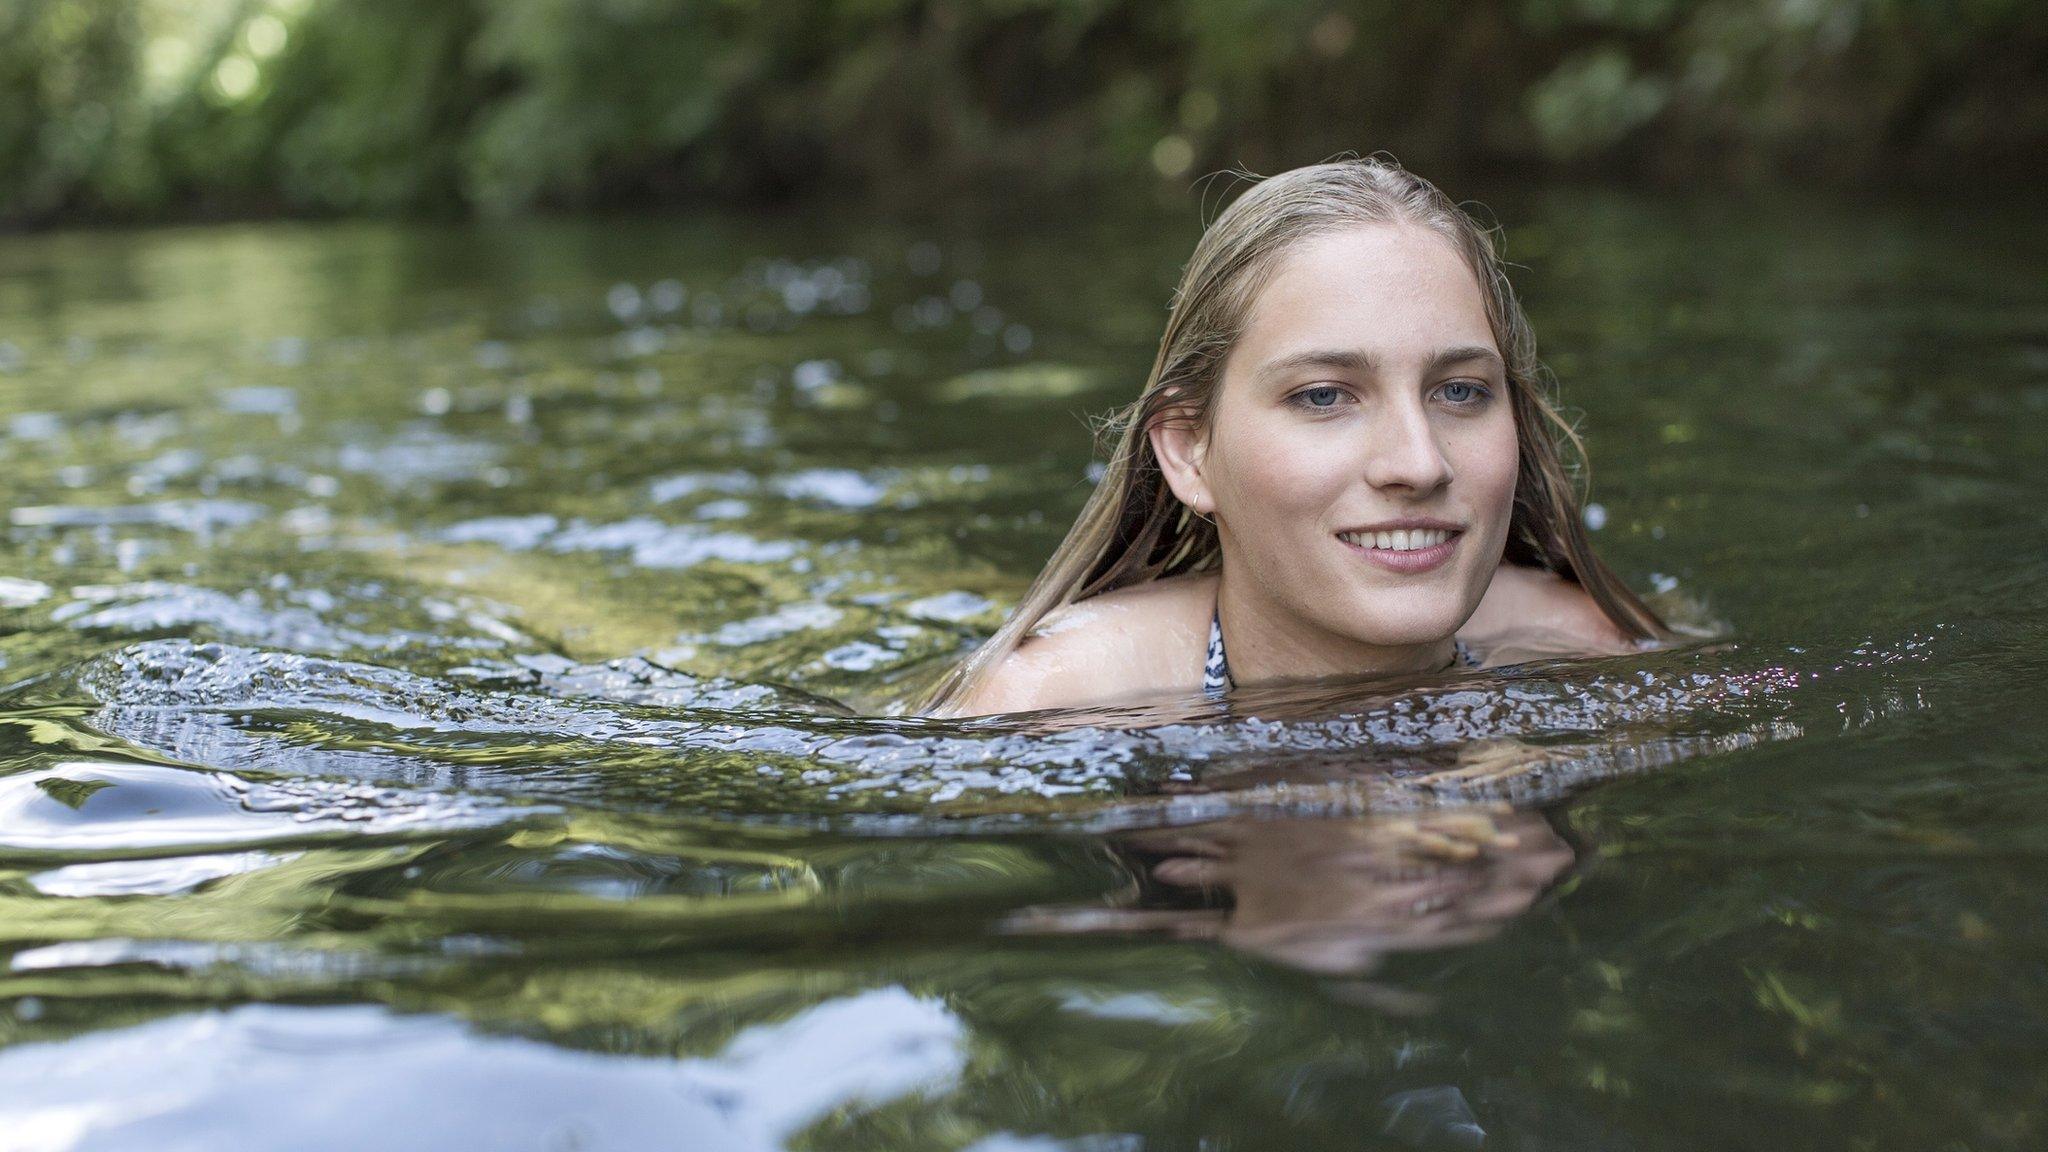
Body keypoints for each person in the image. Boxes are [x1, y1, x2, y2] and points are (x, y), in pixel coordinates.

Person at [923, 156, 1670, 717]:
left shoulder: (1592, 653)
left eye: (1460, 391)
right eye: (1322, 396)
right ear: (1188, 449)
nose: (1418, 462)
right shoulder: (1042, 707)